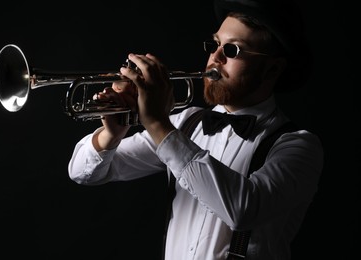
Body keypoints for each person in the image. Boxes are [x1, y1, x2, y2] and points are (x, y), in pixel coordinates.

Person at [68, 0, 324, 259]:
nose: (215, 58)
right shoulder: (186, 123)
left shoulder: (298, 146)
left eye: (233, 50)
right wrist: (112, 134)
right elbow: (83, 173)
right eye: (214, 44)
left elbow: (242, 210)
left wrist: (157, 123)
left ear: (272, 68)